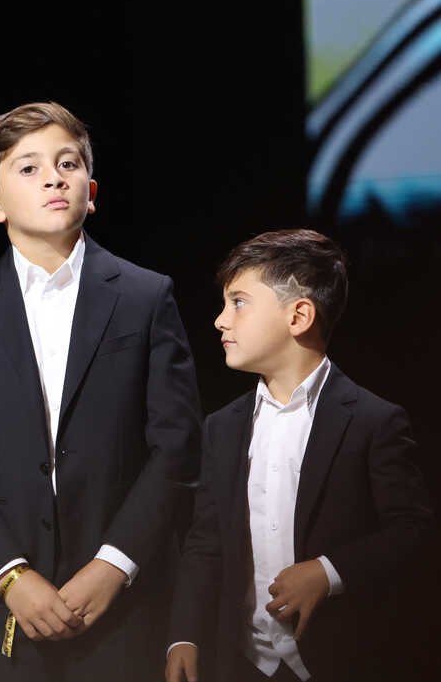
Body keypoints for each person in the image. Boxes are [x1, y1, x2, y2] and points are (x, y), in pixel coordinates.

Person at [0, 101, 202, 681]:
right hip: (11, 606)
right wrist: (9, 574)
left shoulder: (145, 297)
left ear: (90, 189)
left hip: (126, 598)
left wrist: (114, 564)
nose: (53, 176)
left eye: (67, 163)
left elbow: (176, 447)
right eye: (29, 168)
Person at [165, 229, 436, 682]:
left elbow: (413, 530)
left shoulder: (372, 420)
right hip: (242, 662)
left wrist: (329, 572)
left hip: (338, 660)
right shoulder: (222, 426)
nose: (220, 320)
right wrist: (185, 634)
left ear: (299, 316)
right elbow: (205, 541)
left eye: (239, 302)